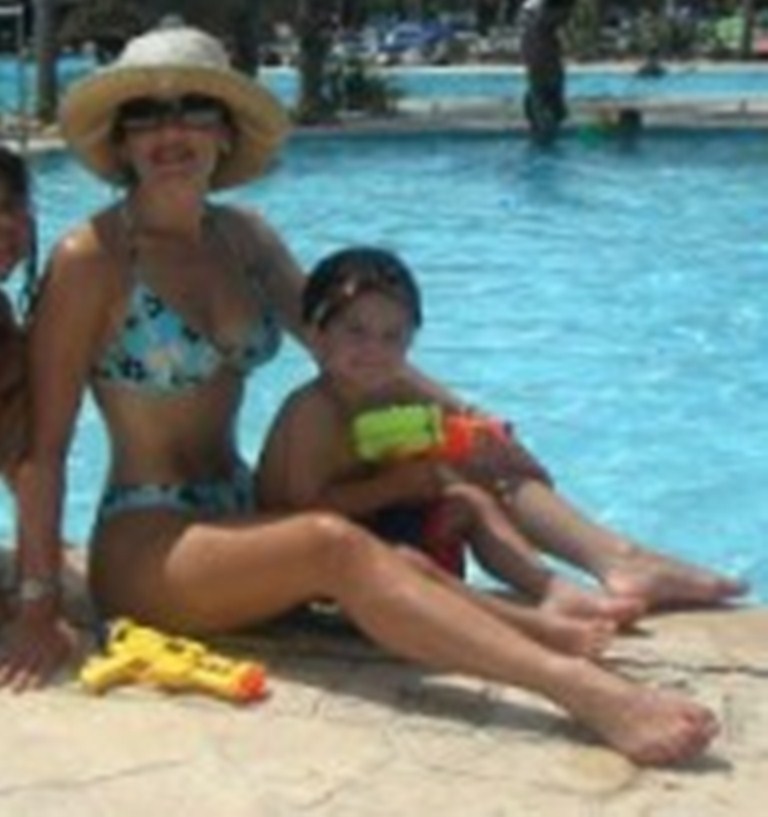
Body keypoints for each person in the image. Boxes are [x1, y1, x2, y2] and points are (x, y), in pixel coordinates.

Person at [0, 26, 720, 766]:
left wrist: (472, 424)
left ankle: (601, 570)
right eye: (146, 116)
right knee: (333, 545)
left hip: (242, 508)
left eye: (193, 109)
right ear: (122, 141)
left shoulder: (242, 239)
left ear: (225, 131)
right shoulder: (93, 258)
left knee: (429, 440)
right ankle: (582, 689)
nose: (170, 132)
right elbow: (43, 449)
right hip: (149, 539)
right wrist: (38, 606)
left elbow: (350, 353)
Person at [258, 246, 746, 620]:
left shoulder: (391, 388)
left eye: (393, 337)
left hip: (373, 529)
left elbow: (468, 435)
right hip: (308, 565)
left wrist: (490, 445)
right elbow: (303, 516)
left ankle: (554, 588)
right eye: (356, 332)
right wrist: (395, 485)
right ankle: (529, 608)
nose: (374, 350)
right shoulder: (313, 412)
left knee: (470, 498)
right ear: (316, 336)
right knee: (441, 501)